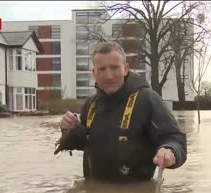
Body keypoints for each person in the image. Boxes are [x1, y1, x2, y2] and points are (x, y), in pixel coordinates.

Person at [57, 41, 187, 182]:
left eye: (114, 68)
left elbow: (175, 139)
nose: (109, 75)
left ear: (125, 69)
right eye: (102, 69)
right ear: (94, 73)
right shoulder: (91, 104)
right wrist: (68, 129)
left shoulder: (148, 100)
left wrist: (170, 150)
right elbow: (81, 143)